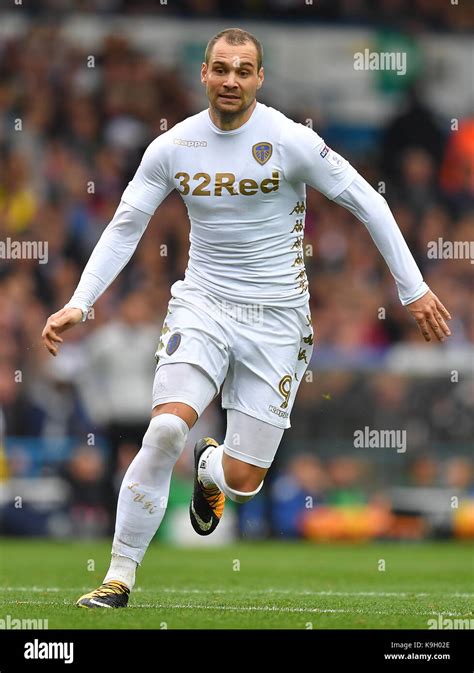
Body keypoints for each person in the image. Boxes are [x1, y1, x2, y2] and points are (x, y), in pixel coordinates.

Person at [41, 28, 452, 609]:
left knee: (243, 481)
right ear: (203, 75)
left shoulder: (291, 140)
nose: (231, 80)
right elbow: (125, 225)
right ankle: (119, 576)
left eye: (243, 70)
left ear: (259, 78)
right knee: (162, 430)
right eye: (221, 69)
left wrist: (413, 290)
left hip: (278, 320)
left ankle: (212, 467)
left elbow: (369, 201)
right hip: (203, 304)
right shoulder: (173, 147)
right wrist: (80, 301)